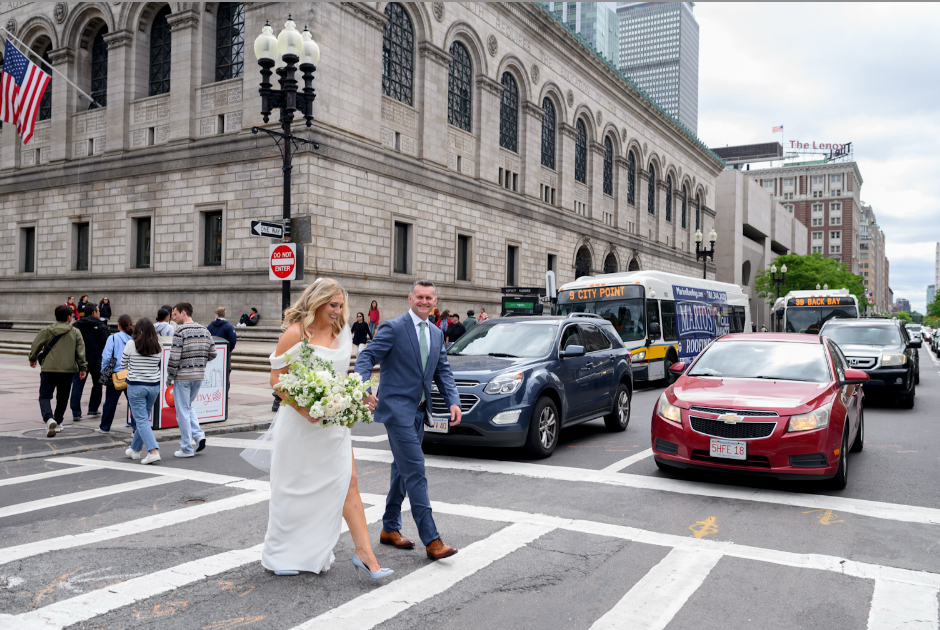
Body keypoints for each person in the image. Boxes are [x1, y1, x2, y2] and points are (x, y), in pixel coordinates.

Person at [255, 278, 392, 580]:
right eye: (333, 305)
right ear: (317, 302)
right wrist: (304, 408)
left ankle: (365, 554)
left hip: (334, 423)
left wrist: (359, 394)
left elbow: (341, 376)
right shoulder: (296, 333)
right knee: (292, 488)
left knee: (348, 481)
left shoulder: (341, 332)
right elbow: (276, 379)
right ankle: (280, 554)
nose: (338, 311)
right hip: (299, 424)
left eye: (341, 305)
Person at [355, 279, 462, 561]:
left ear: (434, 301)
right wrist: (363, 389)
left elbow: (443, 371)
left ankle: (390, 528)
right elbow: (366, 357)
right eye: (419, 297)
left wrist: (453, 400)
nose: (424, 301)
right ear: (409, 298)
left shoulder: (437, 334)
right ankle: (432, 540)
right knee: (415, 470)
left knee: (402, 470)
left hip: (419, 411)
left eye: (429, 298)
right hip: (396, 410)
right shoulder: (394, 327)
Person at [29, 305, 87, 437]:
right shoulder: (75, 331)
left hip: (48, 369)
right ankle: (58, 421)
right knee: (63, 397)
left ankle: (49, 419)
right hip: (68, 370)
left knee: (44, 396)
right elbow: (80, 352)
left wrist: (32, 358)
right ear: (68, 317)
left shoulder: (47, 330)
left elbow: (36, 345)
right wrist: (83, 367)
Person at [166, 302, 216, 458]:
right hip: (198, 375)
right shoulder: (204, 329)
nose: (174, 318)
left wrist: (170, 376)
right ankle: (198, 435)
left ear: (183, 313)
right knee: (187, 407)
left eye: (175, 314)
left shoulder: (180, 331)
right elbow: (213, 353)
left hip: (183, 376)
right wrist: (200, 361)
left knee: (182, 412)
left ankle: (186, 448)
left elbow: (174, 357)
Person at [122, 318, 163, 465]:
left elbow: (123, 363)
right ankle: (135, 449)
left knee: (141, 419)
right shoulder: (159, 345)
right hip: (154, 386)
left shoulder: (131, 344)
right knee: (143, 418)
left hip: (136, 386)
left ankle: (153, 451)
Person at [70, 303, 110, 421]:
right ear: (93, 312)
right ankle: (93, 408)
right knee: (97, 384)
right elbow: (107, 345)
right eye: (98, 311)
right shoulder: (101, 326)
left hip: (80, 361)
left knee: (77, 385)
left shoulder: (76, 325)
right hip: (97, 362)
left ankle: (76, 412)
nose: (99, 313)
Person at [97, 314, 134, 434]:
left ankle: (104, 427)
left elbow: (107, 357)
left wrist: (104, 371)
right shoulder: (133, 339)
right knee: (134, 404)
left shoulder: (113, 338)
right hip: (131, 374)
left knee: (110, 403)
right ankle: (137, 428)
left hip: (116, 376)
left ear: (118, 326)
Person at [207, 306, 237, 396]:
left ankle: (211, 391)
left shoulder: (210, 326)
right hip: (224, 354)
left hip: (212, 353)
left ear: (216, 315)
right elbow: (232, 341)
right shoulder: (229, 327)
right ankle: (224, 393)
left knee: (211, 373)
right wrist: (229, 350)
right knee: (225, 373)